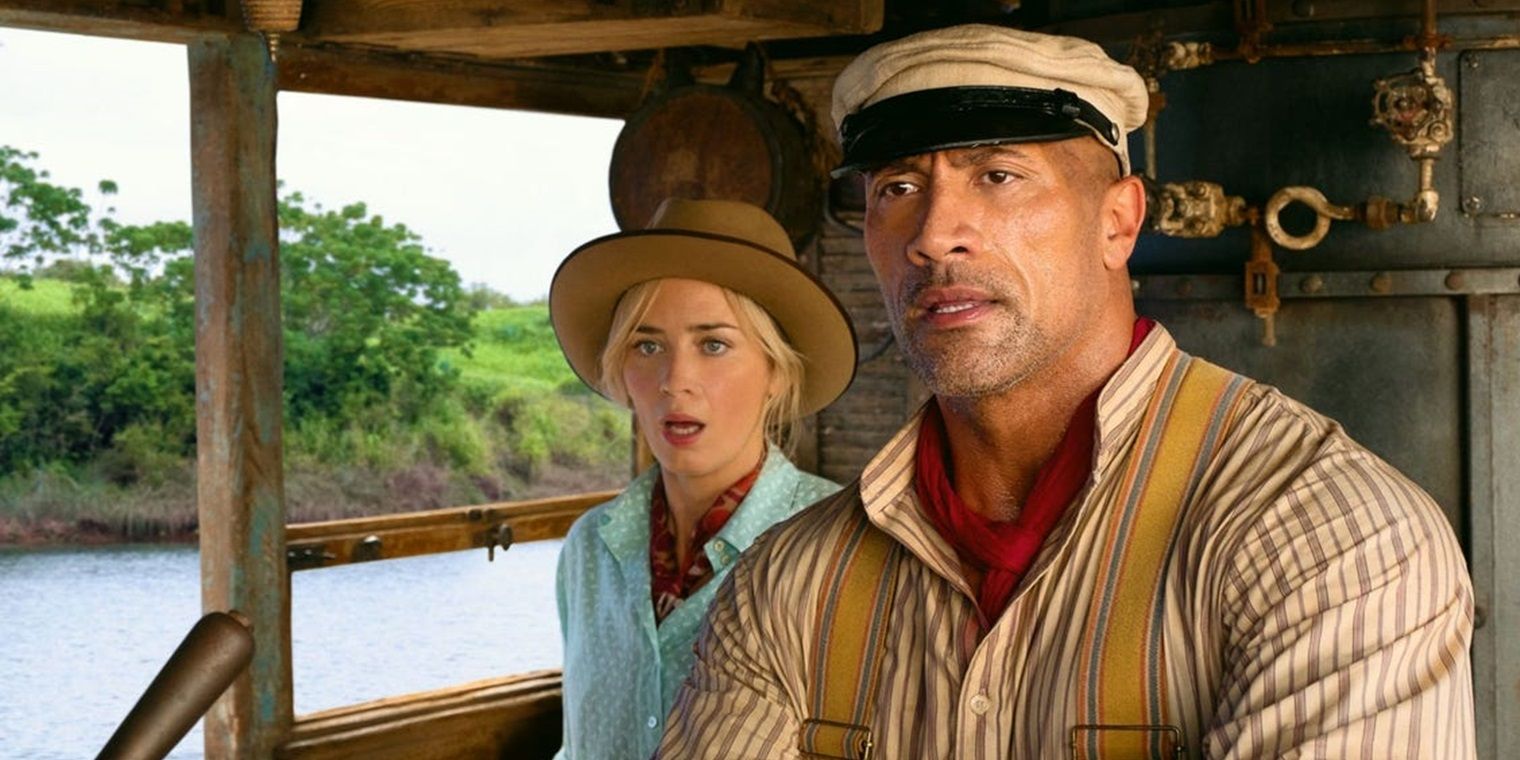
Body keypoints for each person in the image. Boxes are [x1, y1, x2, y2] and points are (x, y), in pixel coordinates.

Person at [658, 25, 1475, 759]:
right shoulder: (789, 586)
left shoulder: (1329, 542)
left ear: (1119, 223)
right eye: (897, 189)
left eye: (998, 175)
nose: (935, 235)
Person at [548, 197, 858, 760]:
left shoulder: (844, 552)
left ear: (775, 372)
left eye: (713, 344)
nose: (675, 381)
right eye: (648, 346)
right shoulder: (589, 549)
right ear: (621, 368)